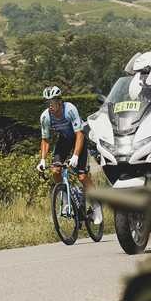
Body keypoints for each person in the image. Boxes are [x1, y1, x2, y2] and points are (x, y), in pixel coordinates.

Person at [37, 85, 99, 228]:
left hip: (80, 138)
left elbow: (80, 134)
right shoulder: (45, 117)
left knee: (82, 176)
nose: (49, 106)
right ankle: (66, 199)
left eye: (52, 102)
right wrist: (42, 160)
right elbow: (45, 140)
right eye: (47, 103)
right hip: (65, 140)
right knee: (55, 170)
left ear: (59, 101)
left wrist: (76, 155)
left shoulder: (70, 109)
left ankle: (96, 206)